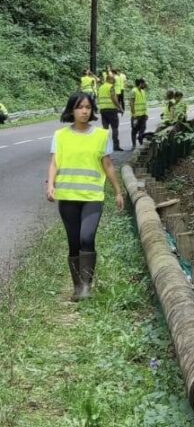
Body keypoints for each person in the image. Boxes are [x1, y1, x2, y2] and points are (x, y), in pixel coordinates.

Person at [46, 90, 124, 299]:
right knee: (73, 242)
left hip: (92, 198)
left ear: (92, 111)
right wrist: (50, 185)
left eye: (88, 107)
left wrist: (118, 191)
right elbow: (54, 162)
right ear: (71, 110)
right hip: (68, 196)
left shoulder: (101, 135)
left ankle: (87, 287)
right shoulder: (60, 136)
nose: (84, 111)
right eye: (80, 107)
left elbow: (108, 165)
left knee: (87, 237)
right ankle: (77, 287)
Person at [97, 70, 122, 151]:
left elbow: (98, 97)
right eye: (113, 80)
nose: (114, 82)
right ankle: (116, 145)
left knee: (105, 128)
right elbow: (114, 99)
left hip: (103, 110)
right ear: (110, 80)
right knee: (115, 128)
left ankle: (104, 146)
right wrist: (119, 107)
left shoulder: (101, 87)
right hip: (111, 109)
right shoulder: (110, 87)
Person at [130, 78, 148, 147]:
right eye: (144, 83)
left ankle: (141, 143)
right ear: (141, 83)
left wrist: (146, 113)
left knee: (143, 129)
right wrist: (133, 113)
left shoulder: (143, 91)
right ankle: (134, 145)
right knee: (134, 130)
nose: (145, 84)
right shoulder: (133, 91)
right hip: (136, 115)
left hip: (143, 115)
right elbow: (131, 103)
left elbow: (144, 104)